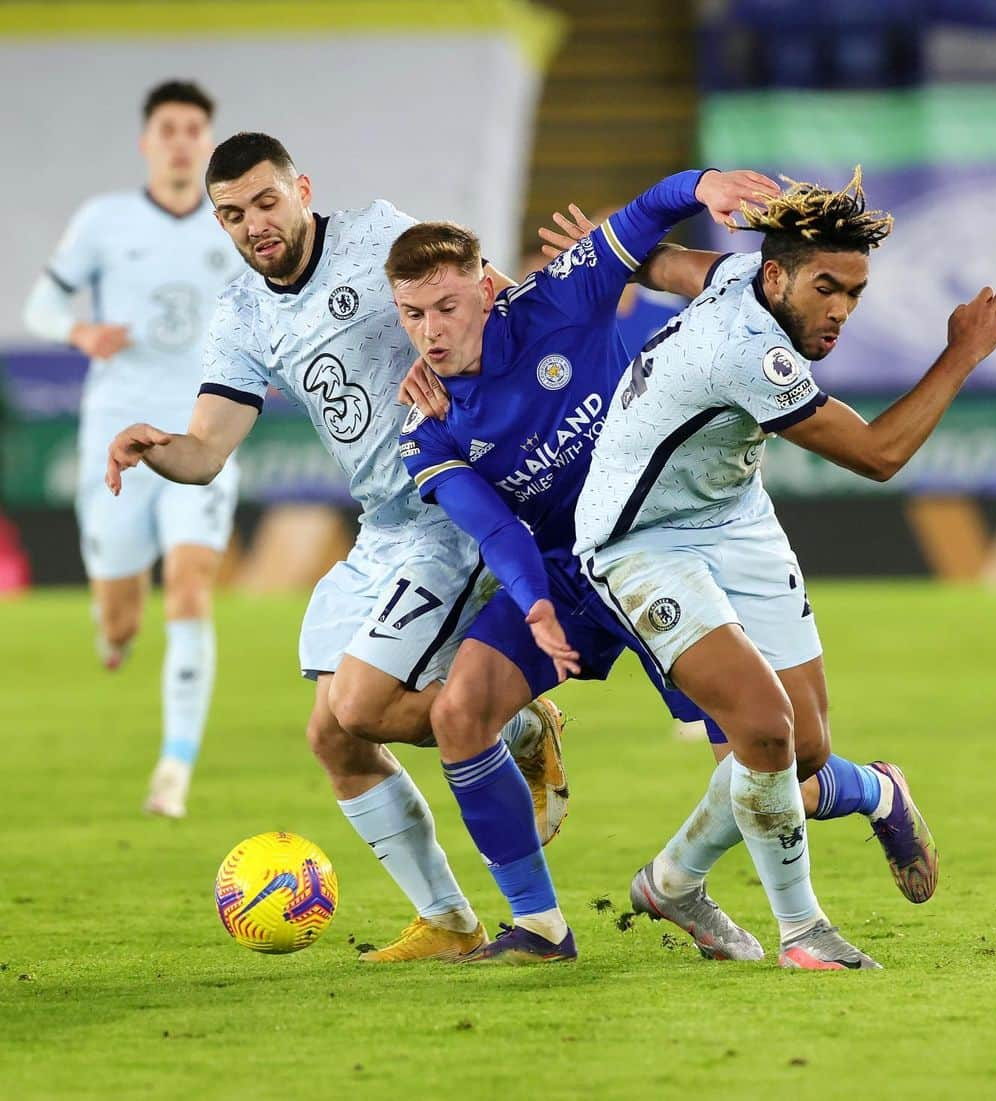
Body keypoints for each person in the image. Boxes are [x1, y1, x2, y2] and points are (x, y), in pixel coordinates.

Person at [389, 169, 938, 968]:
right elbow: (495, 524)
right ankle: (539, 926)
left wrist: (705, 184)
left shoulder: (557, 300)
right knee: (459, 710)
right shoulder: (427, 427)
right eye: (413, 315)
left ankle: (875, 792)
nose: (432, 332)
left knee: (784, 768)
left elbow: (642, 222)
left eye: (447, 306)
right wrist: (534, 601)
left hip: (665, 540)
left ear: (485, 286)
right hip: (576, 568)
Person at [104, 132, 566, 962]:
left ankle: (520, 737)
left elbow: (480, 297)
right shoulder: (242, 313)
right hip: (381, 526)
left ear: (302, 189)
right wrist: (158, 447)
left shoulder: (377, 237)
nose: (254, 225)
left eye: (267, 202)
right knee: (335, 736)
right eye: (232, 215)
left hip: (451, 508)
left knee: (359, 703)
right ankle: (451, 923)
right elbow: (207, 450)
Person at [570, 169, 996, 967]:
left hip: (736, 518)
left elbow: (661, 262)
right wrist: (961, 353)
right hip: (639, 539)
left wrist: (605, 252)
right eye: (827, 287)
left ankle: (678, 878)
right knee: (764, 728)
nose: (842, 310)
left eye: (853, 290)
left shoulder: (745, 273)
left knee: (805, 750)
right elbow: (880, 455)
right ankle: (803, 931)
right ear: (778, 275)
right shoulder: (745, 350)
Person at [23, 81, 242, 819]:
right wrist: (80, 333)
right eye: (168, 128)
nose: (181, 140)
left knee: (188, 587)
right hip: (116, 433)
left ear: (208, 142)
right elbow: (42, 303)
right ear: (147, 142)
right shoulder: (105, 220)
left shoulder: (232, 226)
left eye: (193, 128)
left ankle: (173, 769)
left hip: (199, 435)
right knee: (121, 616)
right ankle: (113, 629)